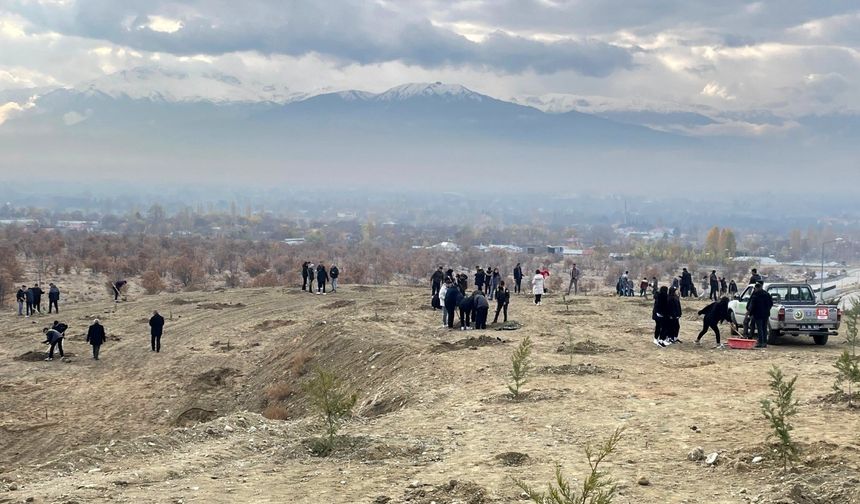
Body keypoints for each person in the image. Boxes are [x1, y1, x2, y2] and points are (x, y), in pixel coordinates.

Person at [747, 283, 773, 348]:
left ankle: (760, 342)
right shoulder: (767, 294)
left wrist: (750, 313)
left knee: (760, 328)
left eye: (755, 288)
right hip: (766, 314)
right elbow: (771, 303)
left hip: (758, 314)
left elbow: (752, 306)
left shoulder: (755, 295)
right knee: (764, 328)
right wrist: (767, 309)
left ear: (757, 288)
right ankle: (764, 343)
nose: (754, 290)